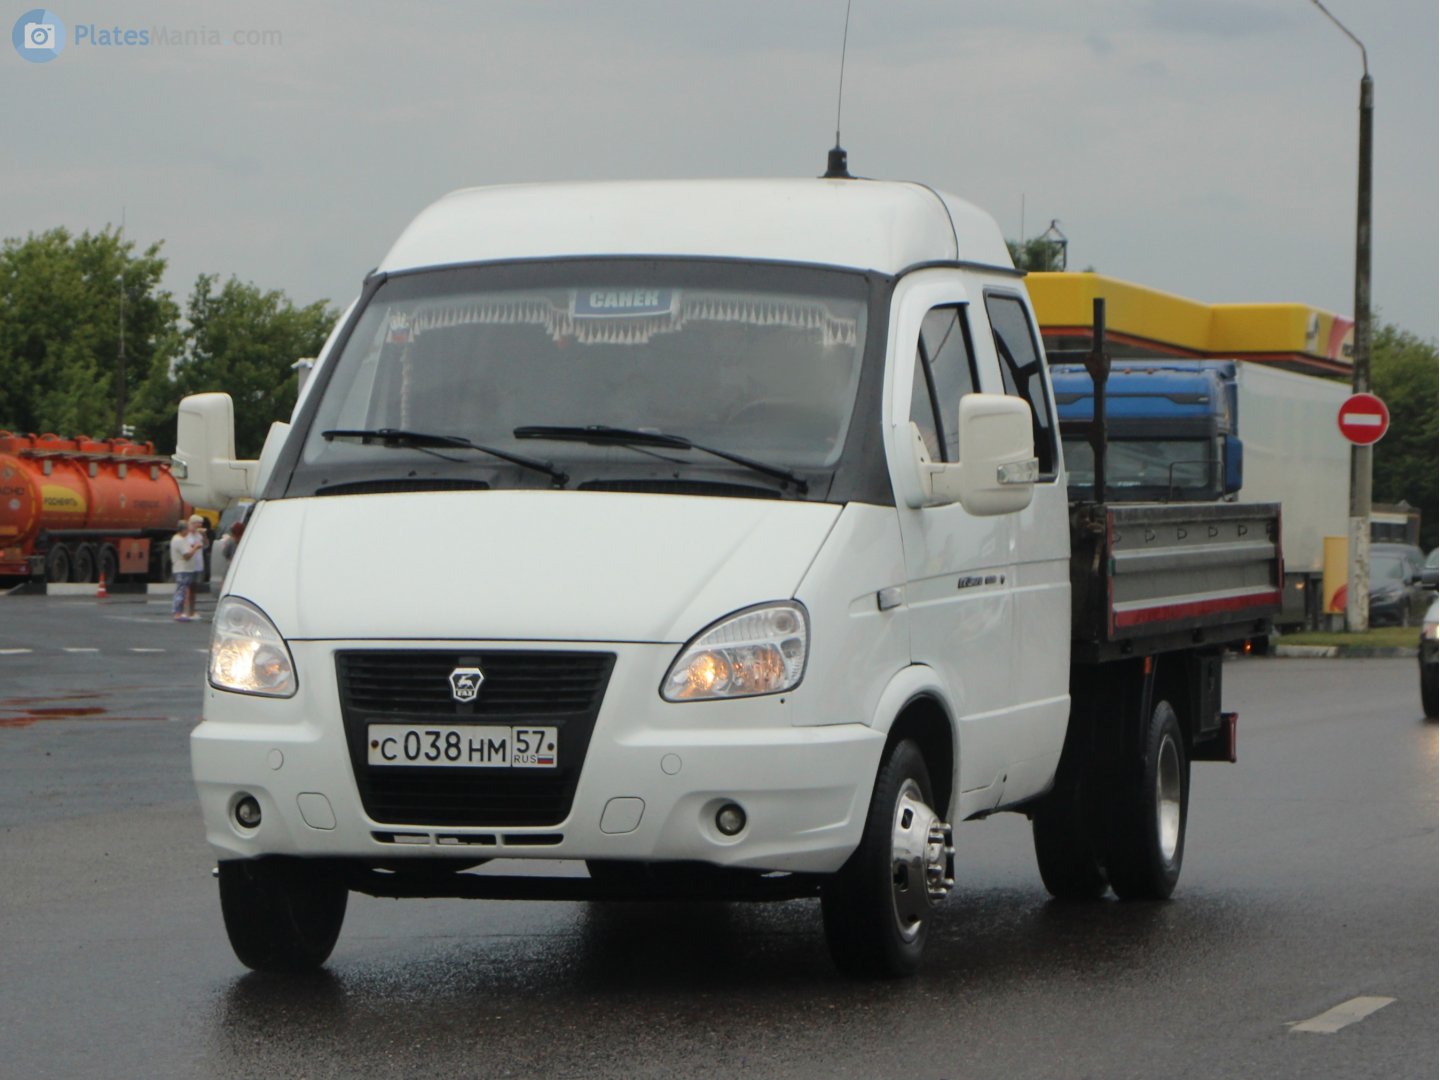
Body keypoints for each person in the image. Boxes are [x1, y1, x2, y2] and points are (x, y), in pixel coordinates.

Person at [170, 515, 207, 621]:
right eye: (186, 529)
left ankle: (180, 612)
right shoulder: (179, 540)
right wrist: (195, 547)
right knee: (182, 590)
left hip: (188, 568)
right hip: (182, 568)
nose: (188, 531)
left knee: (183, 589)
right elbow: (186, 555)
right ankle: (178, 613)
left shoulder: (181, 539)